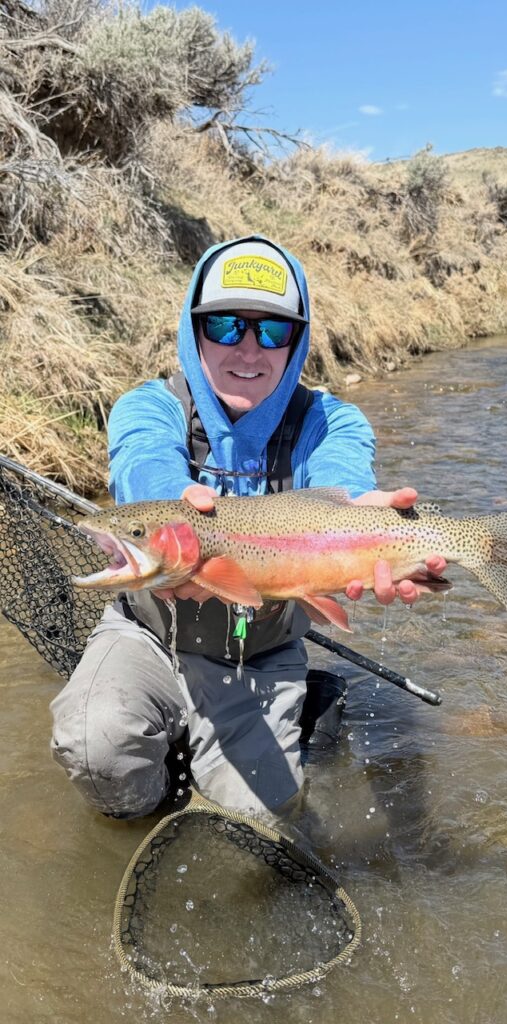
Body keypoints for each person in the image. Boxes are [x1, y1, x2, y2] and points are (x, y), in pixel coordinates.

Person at [50, 236, 446, 819]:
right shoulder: (149, 406)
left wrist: (370, 523)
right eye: (228, 325)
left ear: (297, 340)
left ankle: (277, 721)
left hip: (257, 657)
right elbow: (142, 465)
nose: (250, 349)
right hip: (150, 637)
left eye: (273, 331)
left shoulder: (330, 421)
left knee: (264, 823)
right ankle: (154, 807)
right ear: (194, 330)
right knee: (94, 745)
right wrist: (167, 505)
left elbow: (345, 479)